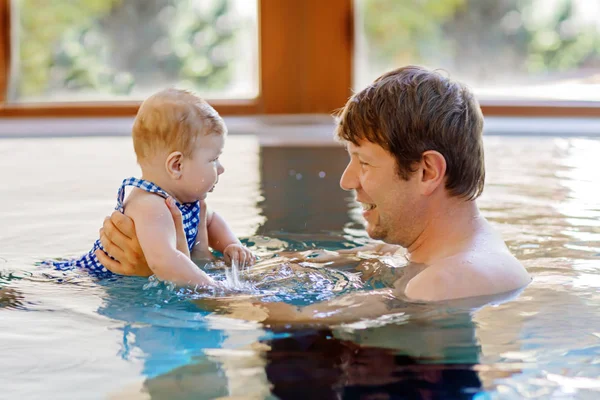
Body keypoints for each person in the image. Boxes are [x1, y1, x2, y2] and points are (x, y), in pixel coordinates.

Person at [97, 66, 530, 323]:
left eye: (364, 162)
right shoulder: (446, 257)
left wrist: (168, 278)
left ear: (427, 170)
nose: (347, 180)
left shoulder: (447, 283)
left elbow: (305, 321)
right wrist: (197, 260)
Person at [51, 88, 254, 287]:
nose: (221, 169)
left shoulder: (187, 200)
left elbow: (211, 221)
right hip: (83, 280)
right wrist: (212, 287)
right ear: (177, 166)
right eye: (214, 159)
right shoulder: (150, 206)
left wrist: (231, 245)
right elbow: (164, 262)